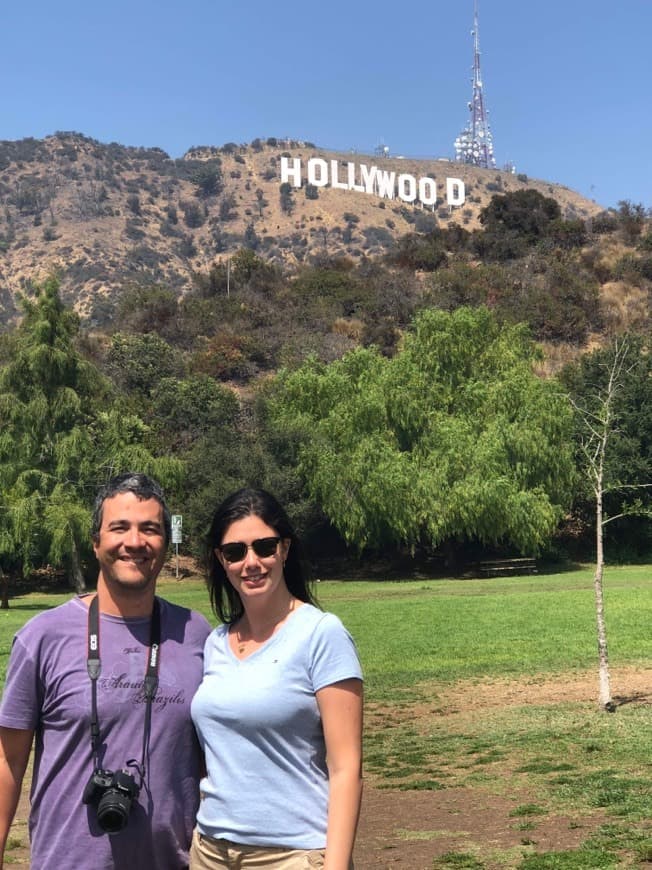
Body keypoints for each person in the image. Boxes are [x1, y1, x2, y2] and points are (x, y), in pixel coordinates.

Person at [0, 472, 211, 870]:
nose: (135, 542)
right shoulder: (42, 637)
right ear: (96, 543)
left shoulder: (197, 635)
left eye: (150, 529)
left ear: (165, 544)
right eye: (120, 527)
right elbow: (8, 761)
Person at [190, 487, 363, 870]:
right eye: (235, 552)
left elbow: (346, 768)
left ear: (284, 548)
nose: (251, 562)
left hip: (292, 854)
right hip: (211, 851)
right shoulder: (215, 643)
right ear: (221, 559)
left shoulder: (321, 634)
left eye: (264, 547)